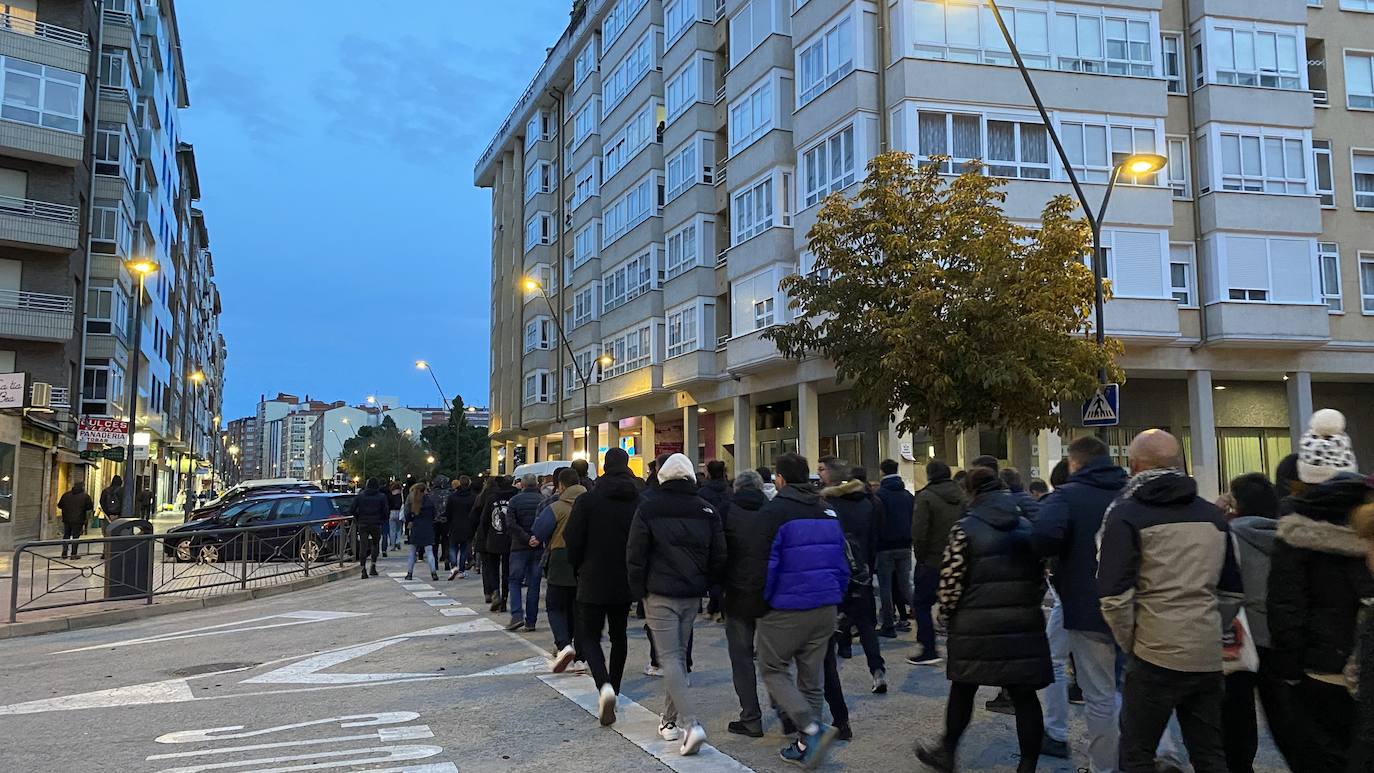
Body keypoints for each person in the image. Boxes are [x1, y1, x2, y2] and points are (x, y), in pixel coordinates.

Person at [1097, 429, 1242, 773]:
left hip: (1153, 650)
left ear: (1133, 467)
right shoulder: (1213, 517)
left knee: (1136, 753)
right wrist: (1207, 626)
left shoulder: (1126, 515)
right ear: (1179, 464)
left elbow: (1114, 596)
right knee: (1208, 752)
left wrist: (1132, 640)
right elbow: (1233, 590)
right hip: (1205, 652)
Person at [915, 466, 1051, 773]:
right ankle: (1028, 764)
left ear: (971, 492)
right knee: (1025, 695)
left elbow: (950, 583)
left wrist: (946, 615)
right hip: (1022, 623)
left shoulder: (964, 529)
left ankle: (947, 753)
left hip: (974, 625)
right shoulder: (1027, 525)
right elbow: (1040, 577)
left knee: (963, 688)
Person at [1268, 410, 1370, 773]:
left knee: (1323, 754)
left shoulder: (1294, 530)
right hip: (1367, 661)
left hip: (1320, 666)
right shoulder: (1368, 521)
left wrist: (1288, 671)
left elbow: (1286, 606)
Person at [1031, 435, 1129, 771]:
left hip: (1088, 606)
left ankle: (1103, 765)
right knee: (1135, 686)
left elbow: (1042, 536)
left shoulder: (1068, 497)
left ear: (1075, 463)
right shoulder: (1132, 491)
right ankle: (1161, 754)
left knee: (1100, 694)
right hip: (1138, 606)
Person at [753, 452, 850, 768]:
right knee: (812, 678)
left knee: (772, 668)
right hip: (824, 606)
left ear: (779, 478)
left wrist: (762, 602)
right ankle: (806, 745)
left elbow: (765, 564)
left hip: (786, 606)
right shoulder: (827, 511)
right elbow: (842, 561)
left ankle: (810, 727)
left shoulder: (774, 512)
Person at [625, 452, 725, 756]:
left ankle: (690, 723)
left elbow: (635, 553)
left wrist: (638, 590)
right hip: (691, 593)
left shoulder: (649, 509)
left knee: (669, 658)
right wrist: (707, 586)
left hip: (659, 591)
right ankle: (668, 720)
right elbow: (719, 555)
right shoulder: (707, 510)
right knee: (678, 657)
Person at [1224, 472, 1300, 773]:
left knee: (1236, 716)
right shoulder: (1291, 537)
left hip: (1240, 639)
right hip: (1279, 636)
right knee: (1284, 716)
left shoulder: (1229, 535)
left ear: (1238, 504)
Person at [566, 448, 640, 727]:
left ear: (605, 468)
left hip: (592, 575)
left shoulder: (588, 500)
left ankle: (604, 686)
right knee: (619, 636)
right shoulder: (637, 500)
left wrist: (577, 566)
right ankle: (616, 689)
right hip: (624, 578)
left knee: (589, 637)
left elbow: (573, 538)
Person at [820, 457, 886, 698]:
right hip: (863, 570)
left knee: (832, 625)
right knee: (866, 623)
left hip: (838, 572)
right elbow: (875, 536)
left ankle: (829, 682)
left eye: (822, 469)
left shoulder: (828, 505)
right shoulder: (868, 502)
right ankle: (878, 670)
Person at [719, 469, 771, 738]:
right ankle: (787, 714)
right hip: (770, 595)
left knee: (741, 659)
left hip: (737, 595)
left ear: (736, 488)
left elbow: (719, 553)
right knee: (775, 660)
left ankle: (751, 717)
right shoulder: (773, 511)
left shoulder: (727, 512)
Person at [909, 459, 964, 666]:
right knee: (955, 604)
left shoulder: (926, 497)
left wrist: (922, 558)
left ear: (929, 474)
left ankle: (928, 648)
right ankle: (960, 648)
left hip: (932, 560)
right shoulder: (962, 496)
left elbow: (919, 533)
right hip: (958, 559)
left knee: (922, 604)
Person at [538, 467, 585, 671]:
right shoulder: (591, 504)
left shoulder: (556, 507)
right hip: (586, 561)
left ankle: (564, 644)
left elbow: (539, 530)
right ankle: (581, 657)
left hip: (560, 559)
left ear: (562, 485)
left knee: (555, 605)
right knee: (579, 609)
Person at [874, 459, 915, 639]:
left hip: (885, 547)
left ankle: (888, 624)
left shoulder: (880, 495)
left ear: (882, 471)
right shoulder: (907, 495)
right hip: (905, 545)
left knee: (885, 587)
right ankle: (921, 616)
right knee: (905, 585)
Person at [504, 473, 545, 632]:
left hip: (519, 546)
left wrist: (525, 538)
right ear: (536, 484)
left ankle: (516, 615)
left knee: (514, 581)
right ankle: (531, 621)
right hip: (538, 547)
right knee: (534, 584)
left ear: (522, 484)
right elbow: (546, 522)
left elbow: (511, 523)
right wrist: (537, 538)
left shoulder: (515, 501)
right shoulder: (543, 500)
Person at [474, 475, 516, 612]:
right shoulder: (514, 497)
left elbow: (484, 520)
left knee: (493, 568)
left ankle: (496, 592)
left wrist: (485, 536)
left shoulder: (492, 497)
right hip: (510, 539)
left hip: (493, 538)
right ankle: (504, 599)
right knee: (506, 571)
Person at [349, 477, 390, 579]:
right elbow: (386, 511)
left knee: (363, 545)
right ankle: (373, 566)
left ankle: (363, 569)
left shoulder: (360, 496)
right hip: (376, 523)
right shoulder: (381, 496)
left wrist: (358, 517)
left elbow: (352, 509)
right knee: (375, 544)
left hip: (363, 523)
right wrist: (381, 519)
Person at [404, 482, 439, 582]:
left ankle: (409, 573)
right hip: (427, 527)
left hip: (416, 527)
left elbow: (407, 515)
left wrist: (410, 521)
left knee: (412, 552)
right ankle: (433, 573)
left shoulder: (412, 501)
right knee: (429, 552)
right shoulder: (429, 501)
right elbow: (434, 515)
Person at [446, 476, 479, 580]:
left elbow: (448, 512)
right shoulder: (473, 497)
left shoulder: (452, 497)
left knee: (453, 547)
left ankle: (454, 566)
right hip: (468, 525)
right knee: (465, 549)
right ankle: (461, 570)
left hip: (454, 525)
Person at [57, 482, 93, 559]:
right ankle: (73, 554)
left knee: (66, 535)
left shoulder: (66, 495)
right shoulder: (85, 496)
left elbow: (59, 505)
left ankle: (64, 552)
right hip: (78, 520)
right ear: (82, 487)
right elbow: (89, 507)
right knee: (75, 537)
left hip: (67, 519)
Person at [427, 475, 451, 570]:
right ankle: (446, 561)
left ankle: (435, 563)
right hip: (446, 521)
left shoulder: (430, 494)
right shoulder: (449, 494)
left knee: (435, 543)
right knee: (446, 542)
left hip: (434, 521)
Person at [386, 482, 405, 556]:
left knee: (392, 530)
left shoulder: (390, 494)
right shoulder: (401, 494)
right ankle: (398, 541)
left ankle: (393, 545)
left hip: (392, 512)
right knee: (399, 529)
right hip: (399, 512)